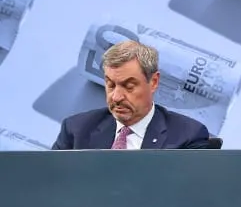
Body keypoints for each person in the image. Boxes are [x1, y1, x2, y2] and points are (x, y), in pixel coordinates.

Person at [52, 40, 212, 150]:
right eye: (110, 85)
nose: (116, 97)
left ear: (154, 82)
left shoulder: (188, 136)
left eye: (129, 86)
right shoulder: (76, 130)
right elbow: (49, 186)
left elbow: (192, 195)